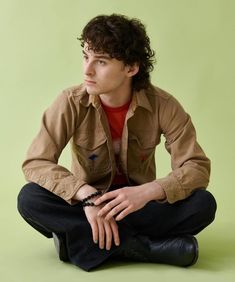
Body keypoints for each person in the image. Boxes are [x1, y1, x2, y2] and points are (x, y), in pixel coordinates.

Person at [17, 14, 217, 271]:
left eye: (100, 61)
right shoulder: (70, 102)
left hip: (139, 207)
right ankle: (145, 248)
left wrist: (148, 192)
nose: (87, 69)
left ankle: (79, 242)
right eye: (86, 56)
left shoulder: (164, 106)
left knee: (203, 204)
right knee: (30, 198)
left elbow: (197, 167)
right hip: (86, 207)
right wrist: (87, 197)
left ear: (131, 68)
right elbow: (36, 162)